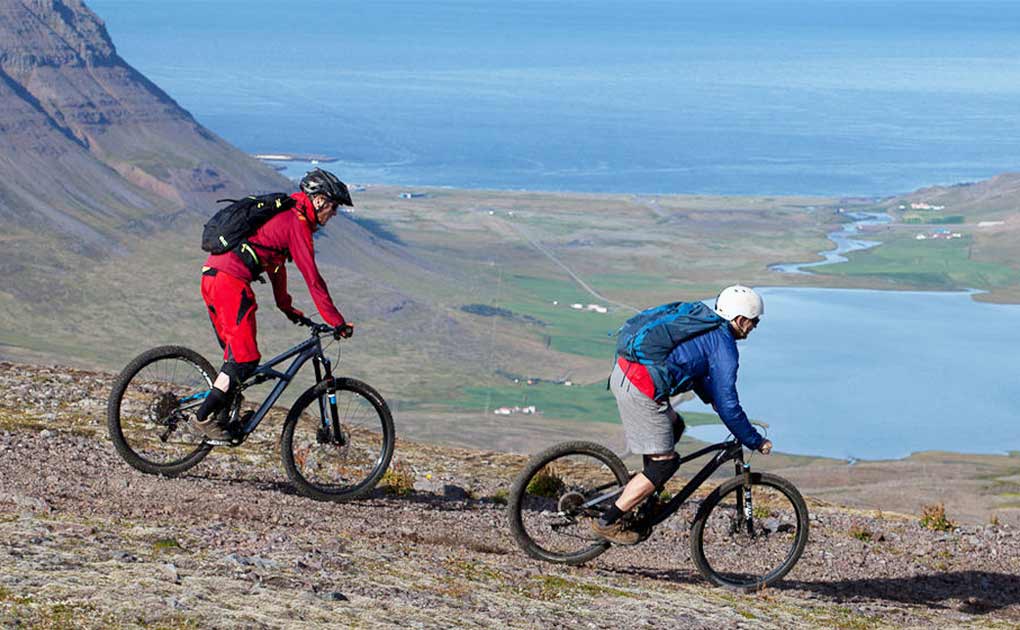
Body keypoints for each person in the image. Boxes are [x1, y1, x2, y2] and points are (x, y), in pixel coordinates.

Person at [591, 284, 773, 545]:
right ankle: (609, 521)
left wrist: (711, 398)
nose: (754, 327)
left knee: (675, 427)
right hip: (640, 387)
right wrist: (755, 440)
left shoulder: (704, 321)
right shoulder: (724, 347)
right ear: (741, 320)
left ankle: (647, 494)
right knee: (664, 463)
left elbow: (692, 366)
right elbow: (730, 405)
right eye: (754, 322)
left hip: (628, 372)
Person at [194, 168, 354, 440]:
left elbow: (276, 266)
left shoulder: (285, 216)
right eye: (334, 206)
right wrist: (336, 322)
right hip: (230, 282)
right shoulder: (297, 224)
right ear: (319, 201)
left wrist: (287, 308)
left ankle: (224, 420)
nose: (334, 213)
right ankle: (202, 418)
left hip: (212, 277)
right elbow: (313, 278)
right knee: (245, 360)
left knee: (235, 360)